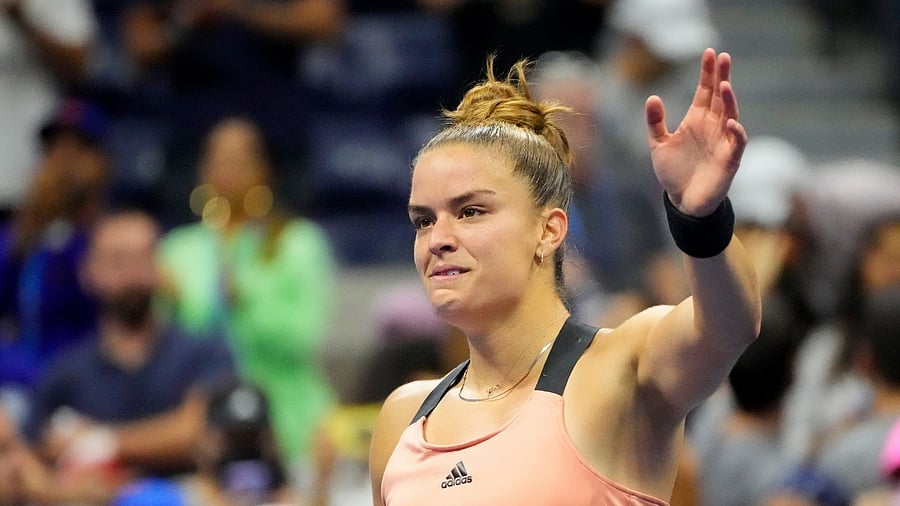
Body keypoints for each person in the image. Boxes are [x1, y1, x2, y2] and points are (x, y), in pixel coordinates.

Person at [368, 47, 760, 505]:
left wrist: (702, 219)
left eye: (470, 211)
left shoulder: (620, 370)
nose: (438, 239)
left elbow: (727, 327)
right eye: (423, 221)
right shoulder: (404, 416)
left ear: (548, 229)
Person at [158, 117, 337, 479]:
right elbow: (163, 348)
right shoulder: (175, 250)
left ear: (264, 168)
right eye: (217, 158)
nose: (228, 169)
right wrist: (177, 305)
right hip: (202, 432)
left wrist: (244, 301)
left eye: (240, 158)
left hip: (289, 424)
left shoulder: (296, 242)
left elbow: (302, 337)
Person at [25, 209, 237, 483]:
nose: (133, 273)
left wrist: (97, 441)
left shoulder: (206, 350)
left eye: (145, 256)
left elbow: (198, 430)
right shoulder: (64, 373)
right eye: (117, 260)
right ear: (89, 271)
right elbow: (33, 452)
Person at [0, 97, 111, 424]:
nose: (64, 163)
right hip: (20, 377)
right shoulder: (23, 233)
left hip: (90, 388)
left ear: (101, 161)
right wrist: (32, 222)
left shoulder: (111, 232)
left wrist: (82, 221)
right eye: (55, 150)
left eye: (78, 150)